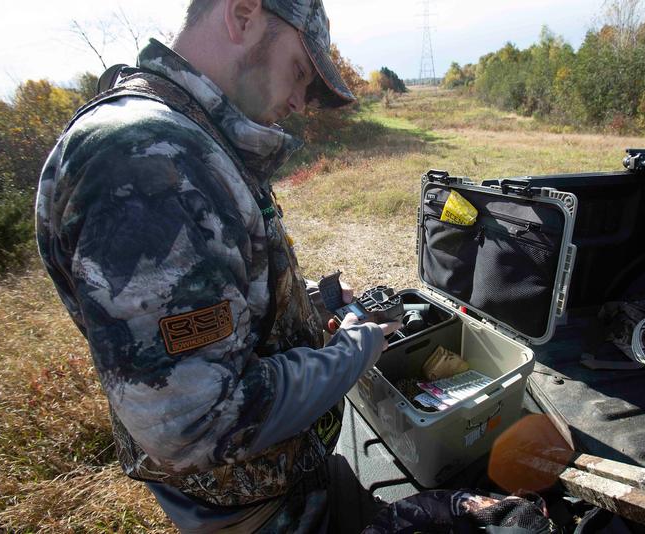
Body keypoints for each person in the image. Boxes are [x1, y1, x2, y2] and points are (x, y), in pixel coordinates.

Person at [35, 0, 399, 531]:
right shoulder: (148, 160)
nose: (300, 102)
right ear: (244, 14)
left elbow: (211, 316)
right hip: (258, 508)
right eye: (299, 71)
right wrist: (355, 348)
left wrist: (314, 307)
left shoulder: (189, 136)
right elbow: (195, 421)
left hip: (274, 481)